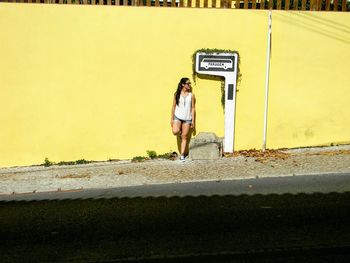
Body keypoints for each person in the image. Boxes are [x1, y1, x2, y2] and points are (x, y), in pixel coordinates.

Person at [170, 77, 196, 161]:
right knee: (175, 131)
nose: (189, 85)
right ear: (183, 85)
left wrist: (193, 121)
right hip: (177, 116)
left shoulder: (191, 95)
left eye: (190, 84)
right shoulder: (177, 94)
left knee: (184, 137)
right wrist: (171, 119)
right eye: (188, 83)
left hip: (187, 118)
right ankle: (180, 131)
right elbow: (173, 107)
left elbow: (193, 108)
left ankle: (182, 155)